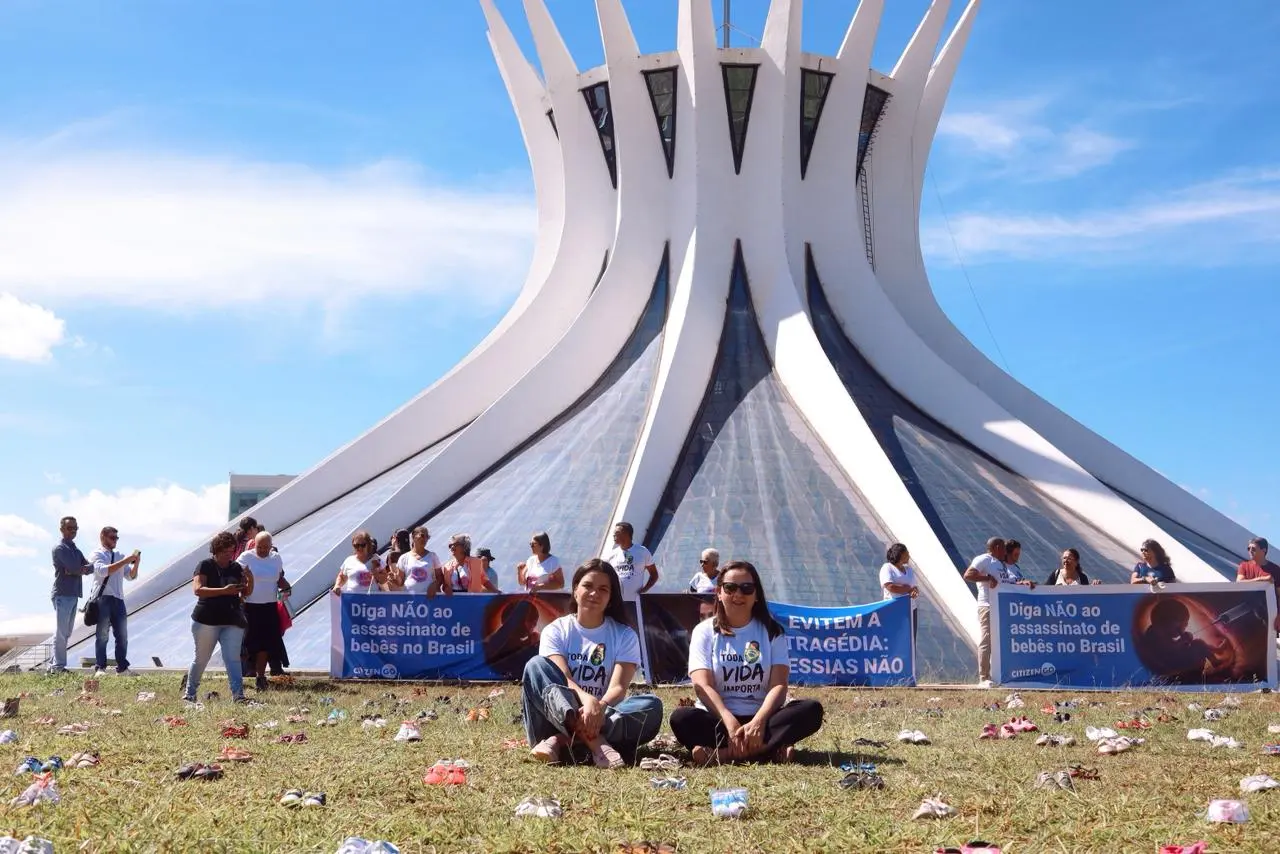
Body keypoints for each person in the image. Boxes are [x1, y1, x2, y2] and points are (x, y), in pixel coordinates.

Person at [670, 560, 824, 764]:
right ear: (719, 592)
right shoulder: (704, 631)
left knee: (811, 710)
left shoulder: (772, 631)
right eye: (730, 587)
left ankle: (723, 755)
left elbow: (779, 685)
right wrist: (729, 722)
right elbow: (702, 686)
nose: (738, 594)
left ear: (756, 595)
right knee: (681, 718)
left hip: (763, 717)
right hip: (718, 718)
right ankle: (769, 750)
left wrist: (759, 721)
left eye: (746, 588)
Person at [521, 559, 663, 768]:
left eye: (603, 589)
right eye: (588, 585)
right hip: (552, 722)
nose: (594, 593)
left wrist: (599, 708)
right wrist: (588, 700)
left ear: (611, 597)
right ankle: (596, 743)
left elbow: (618, 688)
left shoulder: (625, 635)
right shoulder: (556, 630)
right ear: (575, 590)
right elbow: (563, 679)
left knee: (651, 706)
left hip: (601, 717)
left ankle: (563, 741)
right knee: (535, 666)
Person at [184, 532, 250, 703]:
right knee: (201, 659)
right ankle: (190, 693)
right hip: (206, 619)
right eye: (225, 552)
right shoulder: (205, 565)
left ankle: (238, 695)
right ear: (216, 550)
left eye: (231, 551)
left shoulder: (235, 567)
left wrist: (249, 578)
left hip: (232, 619)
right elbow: (198, 590)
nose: (229, 555)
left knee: (233, 659)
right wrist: (224, 591)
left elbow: (246, 592)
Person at [963, 537, 1034, 688]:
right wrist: (987, 578)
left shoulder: (1001, 564)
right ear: (996, 548)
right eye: (1003, 548)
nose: (1005, 552)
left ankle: (1001, 675)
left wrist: (1022, 583)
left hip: (1001, 606)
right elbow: (968, 575)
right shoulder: (984, 559)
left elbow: (1005, 583)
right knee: (987, 640)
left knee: (1002, 641)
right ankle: (984, 677)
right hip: (987, 605)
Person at [237, 531, 289, 690]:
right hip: (250, 606)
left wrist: (286, 588)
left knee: (266, 644)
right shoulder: (246, 557)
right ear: (255, 545)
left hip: (269, 606)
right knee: (248, 643)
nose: (263, 550)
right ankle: (242, 676)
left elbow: (279, 578)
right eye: (260, 547)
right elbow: (235, 574)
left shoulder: (276, 558)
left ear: (271, 546)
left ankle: (260, 676)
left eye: (266, 547)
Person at [88, 526, 141, 677]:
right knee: (102, 635)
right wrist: (125, 561)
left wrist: (136, 563)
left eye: (116, 538)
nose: (115, 540)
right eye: (112, 537)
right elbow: (102, 571)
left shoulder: (119, 555)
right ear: (103, 537)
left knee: (122, 635)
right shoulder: (97, 554)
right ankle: (100, 668)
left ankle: (122, 668)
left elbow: (130, 576)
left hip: (118, 598)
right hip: (103, 598)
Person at [50, 516, 93, 674]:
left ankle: (54, 666)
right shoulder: (60, 548)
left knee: (66, 632)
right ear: (62, 529)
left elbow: (88, 567)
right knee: (62, 632)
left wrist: (79, 570)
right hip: (63, 593)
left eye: (75, 528)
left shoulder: (75, 549)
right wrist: (78, 569)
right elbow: (77, 567)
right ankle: (58, 667)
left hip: (73, 594)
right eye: (69, 528)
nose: (73, 531)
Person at [601, 522, 659, 600]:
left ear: (626, 534)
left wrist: (645, 589)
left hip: (634, 600)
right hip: (616, 601)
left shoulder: (642, 551)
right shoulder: (611, 555)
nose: (614, 535)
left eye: (617, 533)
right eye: (614, 533)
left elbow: (654, 574)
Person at [434, 534, 498, 594]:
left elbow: (485, 580)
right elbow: (444, 586)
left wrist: (496, 591)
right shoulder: (447, 566)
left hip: (472, 599)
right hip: (453, 600)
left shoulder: (476, 562)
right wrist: (446, 588)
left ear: (464, 547)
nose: (452, 547)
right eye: (450, 545)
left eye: (455, 544)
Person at [879, 543, 918, 640]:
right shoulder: (887, 568)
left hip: (910, 609)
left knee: (910, 639)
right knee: (894, 638)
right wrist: (907, 589)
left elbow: (914, 587)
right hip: (894, 609)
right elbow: (890, 586)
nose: (909, 556)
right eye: (907, 554)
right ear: (900, 555)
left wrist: (915, 591)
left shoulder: (909, 570)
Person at [331, 531, 386, 595]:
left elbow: (384, 581)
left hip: (372, 599)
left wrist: (376, 574)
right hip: (353, 600)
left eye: (362, 545)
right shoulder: (349, 560)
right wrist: (337, 585)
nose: (359, 548)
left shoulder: (376, 559)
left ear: (368, 544)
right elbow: (342, 577)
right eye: (356, 545)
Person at [395, 527, 443, 595]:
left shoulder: (432, 556)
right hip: (409, 597)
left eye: (427, 536)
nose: (425, 539)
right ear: (413, 537)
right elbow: (400, 582)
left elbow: (440, 576)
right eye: (422, 535)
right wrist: (394, 578)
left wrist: (435, 586)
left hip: (428, 597)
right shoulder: (403, 558)